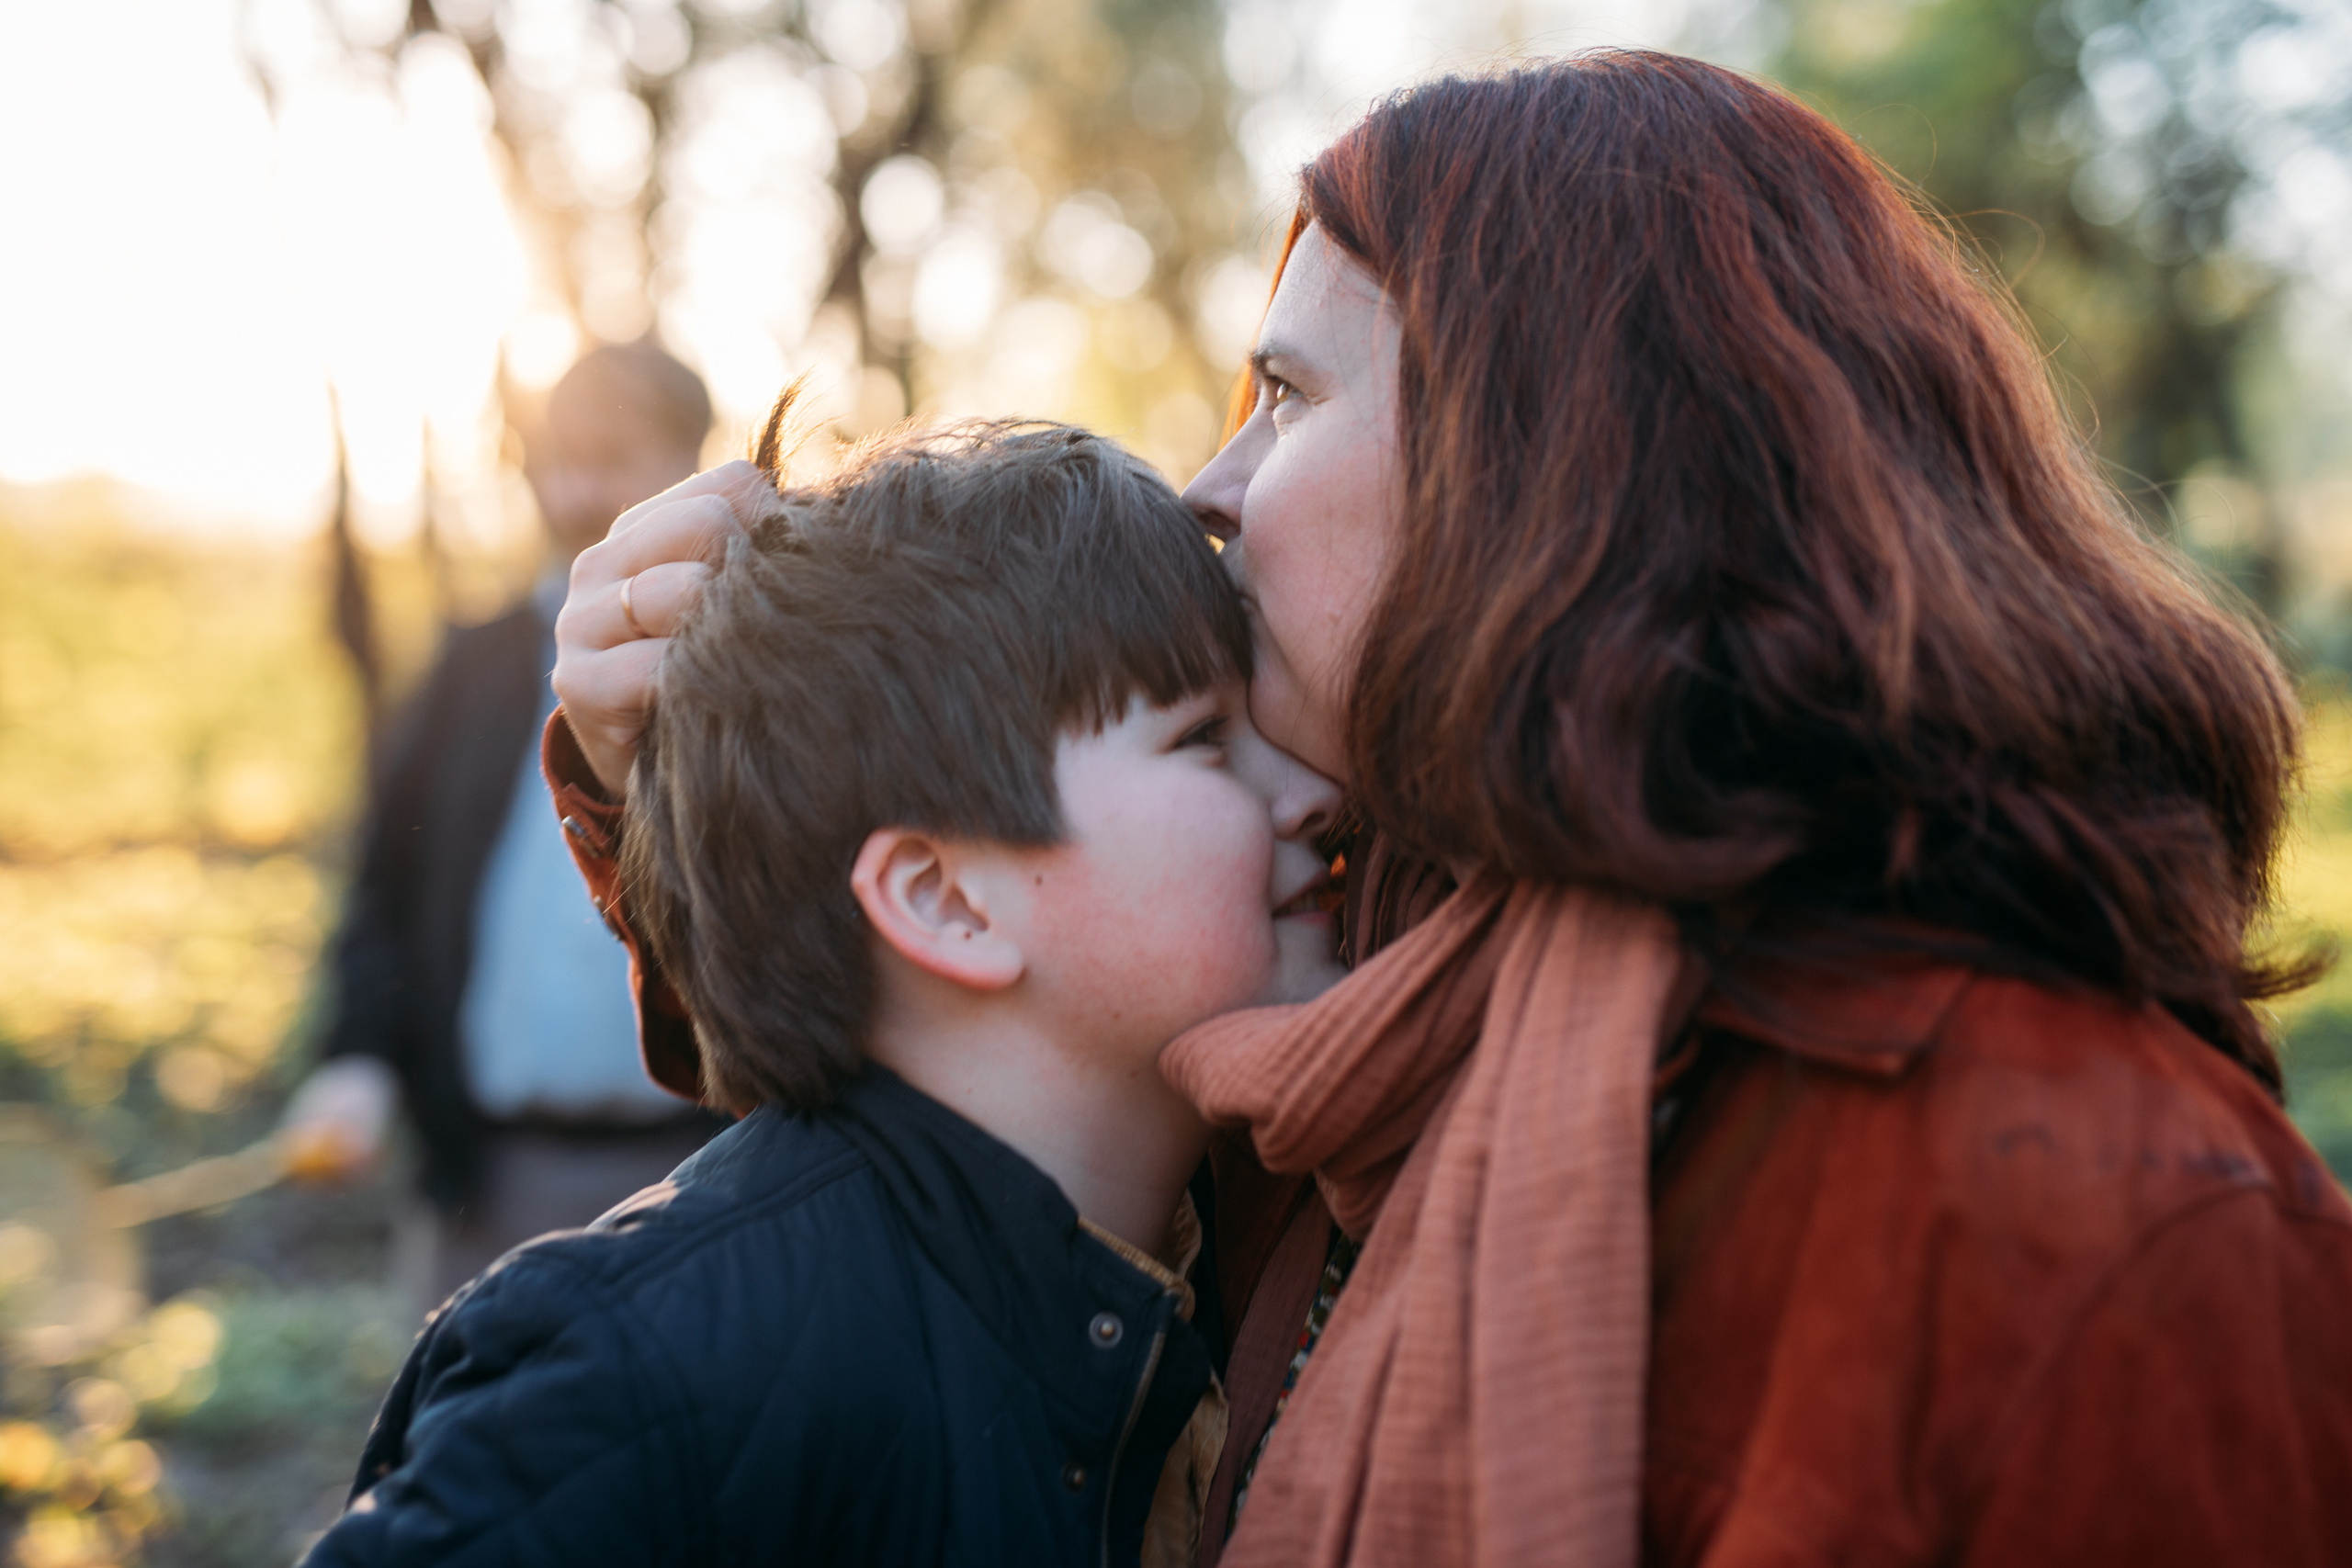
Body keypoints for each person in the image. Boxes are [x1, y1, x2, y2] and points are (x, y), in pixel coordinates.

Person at [548, 52, 2352, 1568]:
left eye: (1284, 394)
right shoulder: (1345, 977)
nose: (1207, 486)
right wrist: (703, 772)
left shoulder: (2101, 1229)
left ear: (1564, 463)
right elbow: (968, 1099)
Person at [301, 418, 1350, 1568]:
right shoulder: (640, 1372)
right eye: (1203, 737)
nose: (1310, 792)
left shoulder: (1204, 1273)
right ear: (944, 900)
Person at [283, 342, 726, 1309]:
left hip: (706, 1188)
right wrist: (356, 1060)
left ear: (693, 461)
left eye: (610, 457)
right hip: (481, 1188)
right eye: (554, 460)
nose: (574, 490)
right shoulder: (471, 667)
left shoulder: (762, 678)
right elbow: (383, 888)